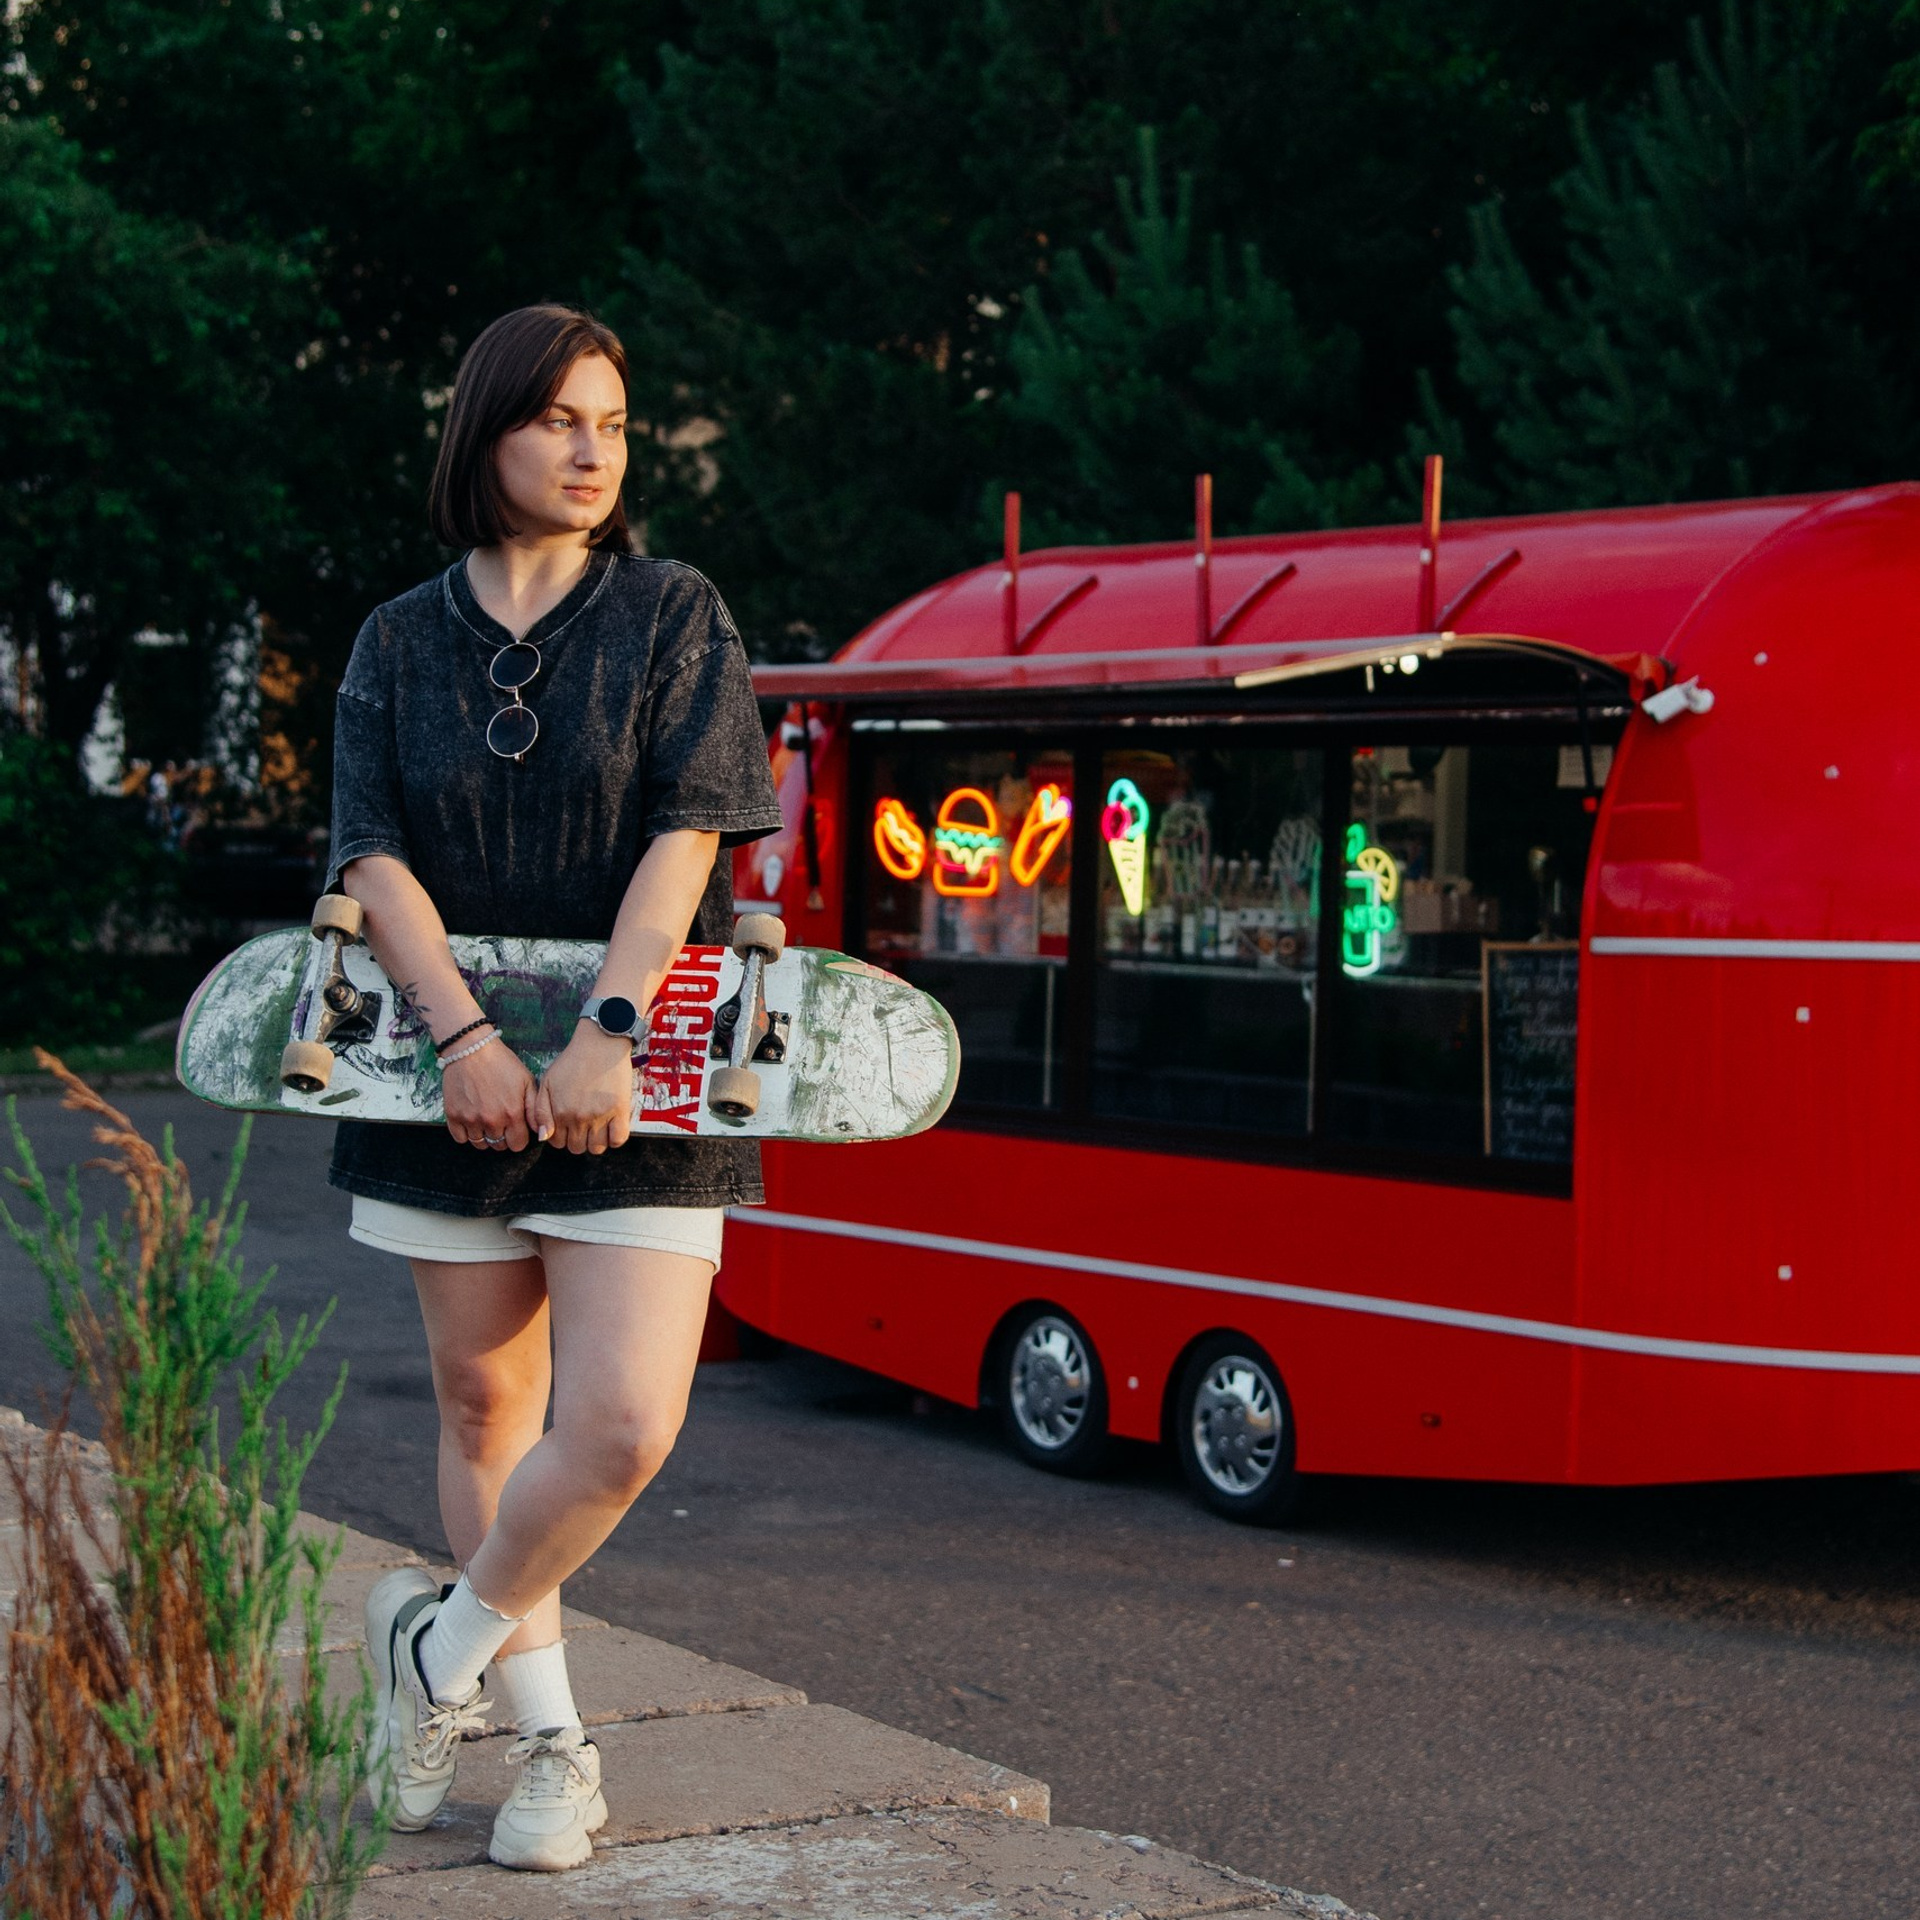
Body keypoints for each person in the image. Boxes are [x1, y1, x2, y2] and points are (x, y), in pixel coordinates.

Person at [325, 305, 782, 1872]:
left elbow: (693, 829)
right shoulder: (396, 639)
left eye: (613, 423)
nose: (594, 452)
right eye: (560, 421)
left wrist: (605, 1025)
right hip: (438, 1074)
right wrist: (461, 1038)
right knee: (481, 1405)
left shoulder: (671, 611)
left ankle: (429, 1659)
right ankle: (549, 1749)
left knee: (620, 1427)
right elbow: (370, 853)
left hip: (635, 1066)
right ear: (485, 435)